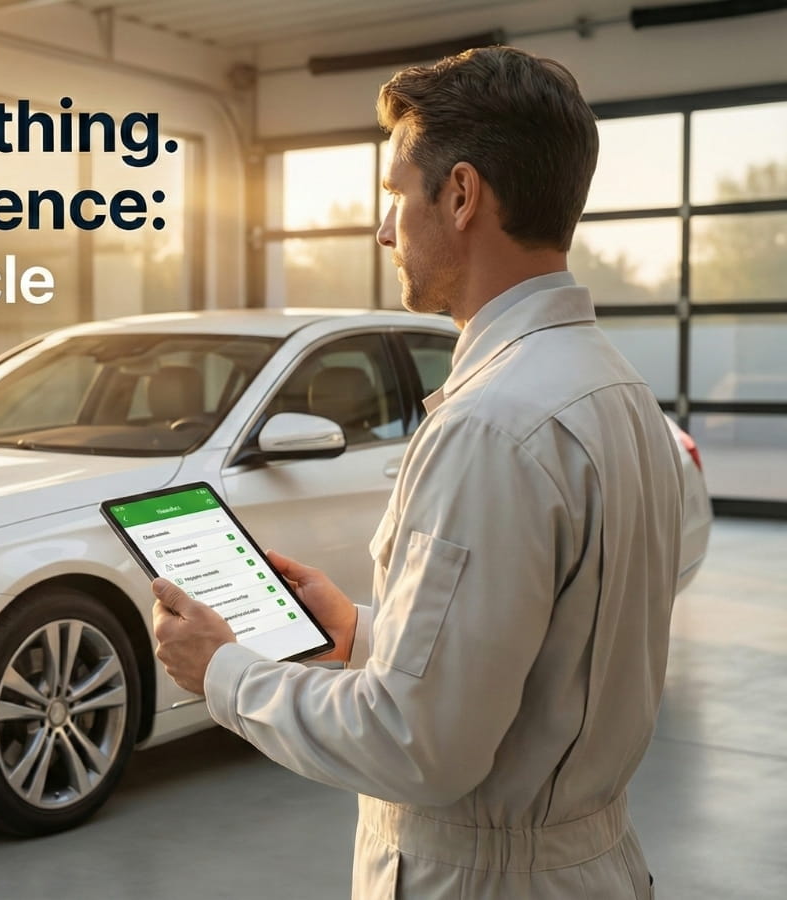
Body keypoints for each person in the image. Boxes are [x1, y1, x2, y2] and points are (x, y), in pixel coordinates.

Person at [152, 46, 683, 899]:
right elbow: (550, 656)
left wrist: (223, 672)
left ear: (463, 195)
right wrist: (361, 633)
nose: (385, 227)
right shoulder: (613, 387)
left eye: (398, 192)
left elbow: (418, 745)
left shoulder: (491, 424)